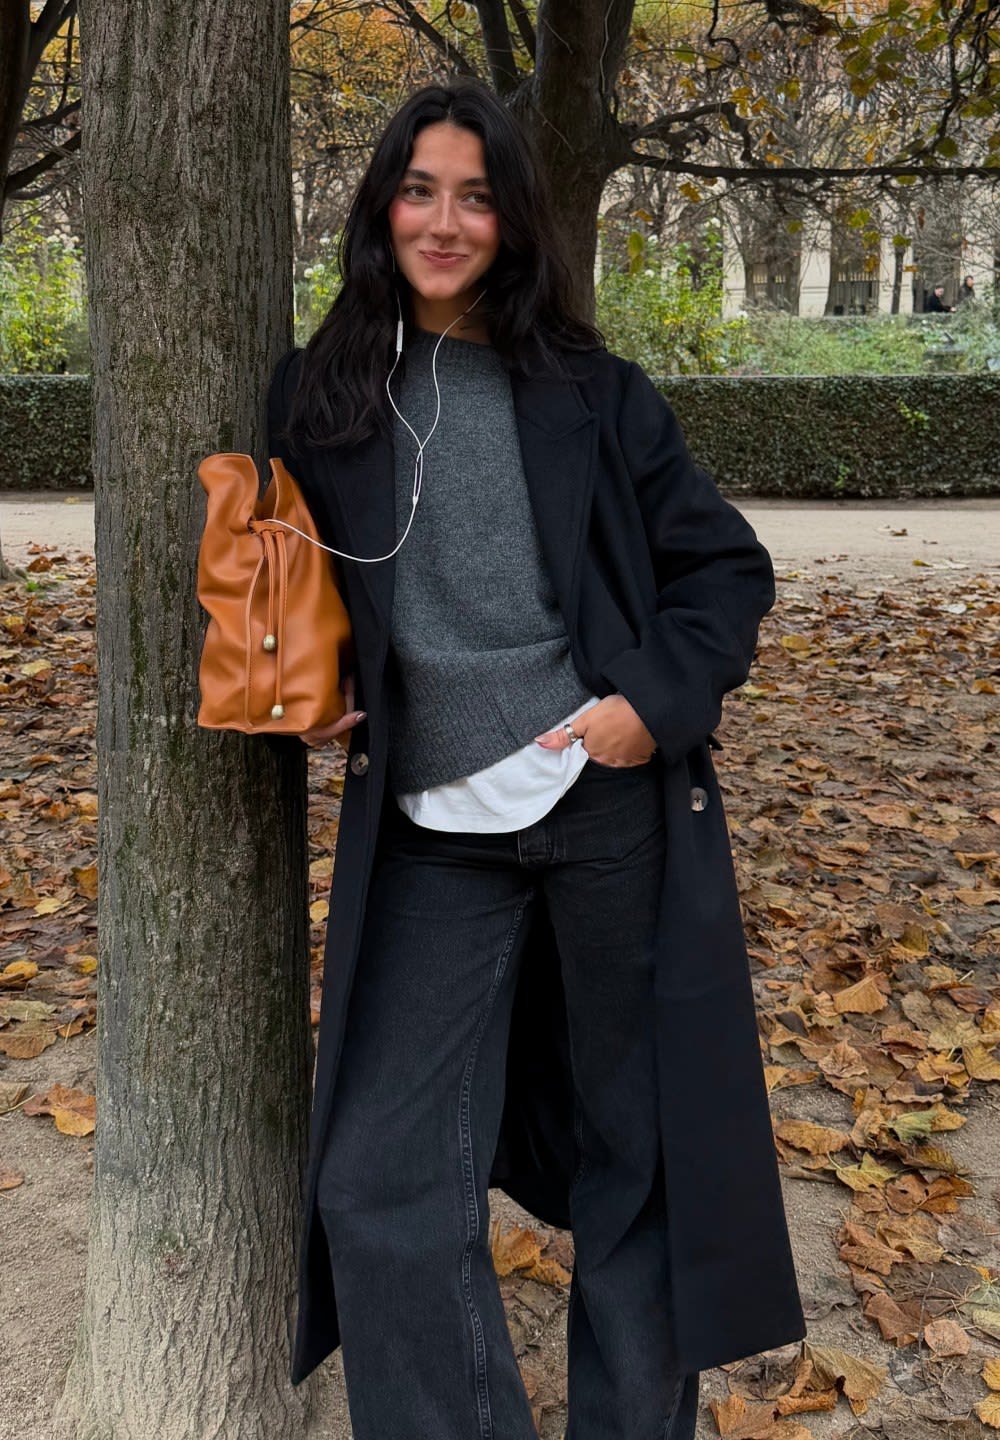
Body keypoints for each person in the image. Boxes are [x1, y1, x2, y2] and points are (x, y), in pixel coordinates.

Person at [264, 79, 805, 1439]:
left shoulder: (593, 392)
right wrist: (318, 688)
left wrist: (645, 705)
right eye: (421, 188)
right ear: (382, 203)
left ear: (513, 220)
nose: (447, 220)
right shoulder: (320, 395)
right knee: (380, 1178)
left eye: (479, 195)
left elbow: (723, 570)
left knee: (641, 1155)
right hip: (436, 831)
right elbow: (306, 598)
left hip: (609, 805)